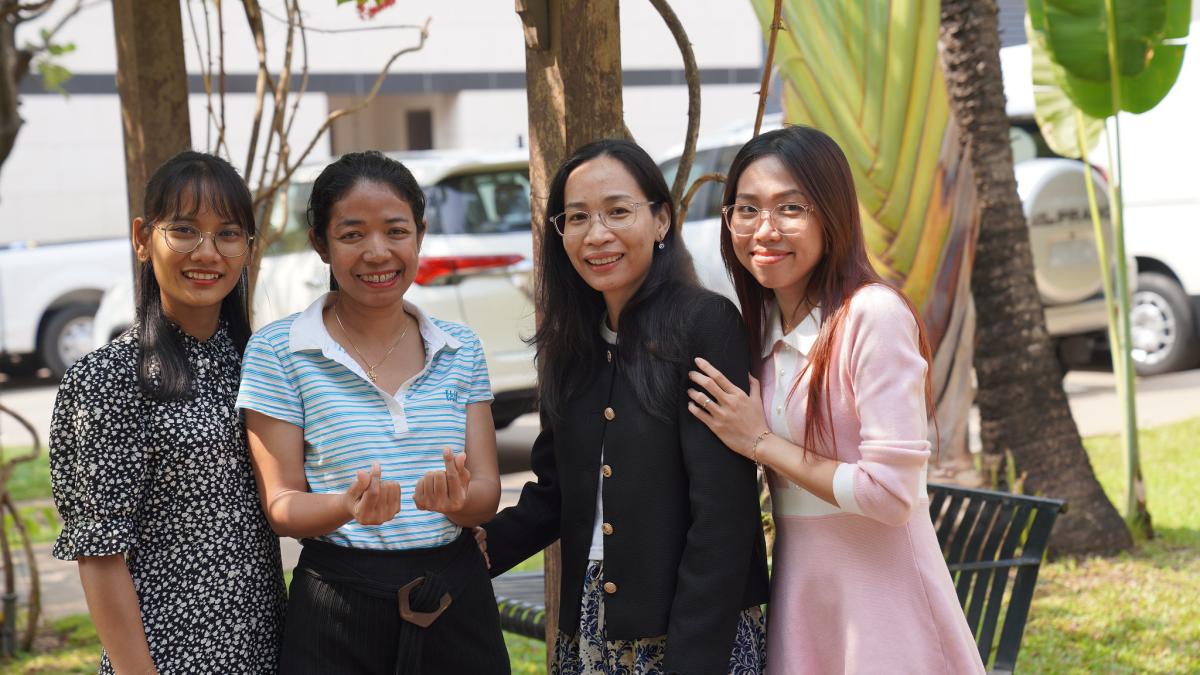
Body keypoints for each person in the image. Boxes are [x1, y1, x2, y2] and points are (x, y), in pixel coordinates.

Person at [685, 125, 986, 674]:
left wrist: (760, 442)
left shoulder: (872, 316)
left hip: (886, 610)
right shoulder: (756, 329)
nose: (765, 229)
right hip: (805, 600)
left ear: (832, 214)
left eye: (790, 207)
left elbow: (890, 495)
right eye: (746, 209)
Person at [477, 139, 769, 675]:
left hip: (691, 633)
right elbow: (553, 498)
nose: (598, 234)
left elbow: (723, 516)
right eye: (578, 217)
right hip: (591, 626)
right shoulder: (572, 344)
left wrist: (692, 661)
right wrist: (461, 558)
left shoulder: (705, 323)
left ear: (661, 221)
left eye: (618, 211)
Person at [236, 150, 508, 675]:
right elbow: (282, 505)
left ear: (420, 235)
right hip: (337, 610)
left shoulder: (461, 347)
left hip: (455, 602)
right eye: (352, 234)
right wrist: (346, 506)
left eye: (396, 231)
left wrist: (458, 504)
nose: (377, 252)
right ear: (321, 243)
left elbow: (486, 495)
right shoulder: (279, 350)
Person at [49, 151, 286, 674]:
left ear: (248, 248)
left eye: (228, 234)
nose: (208, 252)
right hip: (166, 656)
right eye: (184, 230)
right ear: (142, 238)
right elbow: (99, 554)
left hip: (271, 649)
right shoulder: (105, 380)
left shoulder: (264, 364)